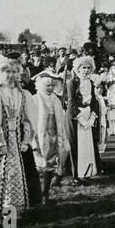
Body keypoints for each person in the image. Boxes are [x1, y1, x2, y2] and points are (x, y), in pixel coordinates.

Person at [0, 53, 41, 226]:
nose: (10, 75)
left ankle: (17, 213)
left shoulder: (24, 94)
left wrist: (27, 140)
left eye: (14, 71)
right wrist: (0, 142)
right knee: (1, 177)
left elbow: (29, 119)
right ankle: (4, 217)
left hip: (19, 141)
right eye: (6, 71)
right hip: (3, 142)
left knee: (23, 174)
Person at [32, 71, 69, 204]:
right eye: (47, 85)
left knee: (50, 164)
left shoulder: (55, 100)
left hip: (53, 135)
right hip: (38, 137)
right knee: (38, 165)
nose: (50, 88)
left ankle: (45, 192)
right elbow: (31, 121)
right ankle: (35, 193)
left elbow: (60, 120)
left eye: (52, 85)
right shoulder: (35, 99)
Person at [66, 56, 103, 185]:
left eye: (88, 68)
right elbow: (71, 102)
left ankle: (87, 172)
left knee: (87, 145)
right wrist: (80, 119)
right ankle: (75, 175)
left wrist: (92, 117)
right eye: (83, 68)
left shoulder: (91, 82)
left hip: (87, 114)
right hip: (76, 116)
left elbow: (93, 101)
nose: (86, 70)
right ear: (78, 69)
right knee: (75, 145)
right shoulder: (72, 82)